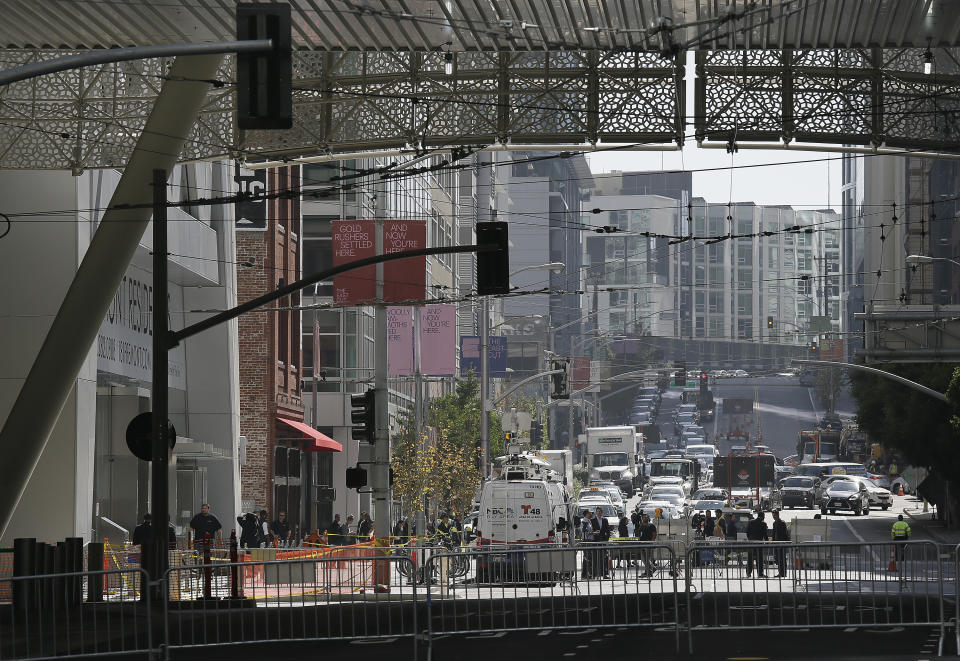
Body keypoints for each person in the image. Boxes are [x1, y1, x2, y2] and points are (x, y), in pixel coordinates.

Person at [745, 511, 768, 577]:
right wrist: (767, 543)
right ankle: (760, 573)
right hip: (759, 544)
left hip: (751, 543)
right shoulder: (763, 524)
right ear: (763, 516)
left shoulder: (751, 522)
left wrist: (750, 539)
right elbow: (765, 535)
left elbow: (747, 532)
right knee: (759, 559)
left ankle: (748, 573)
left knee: (750, 559)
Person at [770, 510, 790, 577]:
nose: (774, 517)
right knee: (778, 559)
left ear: (778, 515)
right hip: (776, 543)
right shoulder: (774, 523)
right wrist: (773, 542)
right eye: (773, 516)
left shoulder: (782, 523)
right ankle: (780, 572)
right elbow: (774, 533)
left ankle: (783, 573)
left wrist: (785, 542)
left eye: (774, 516)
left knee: (782, 559)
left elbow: (785, 534)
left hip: (781, 543)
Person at [594, 506, 611, 578]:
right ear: (596, 512)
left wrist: (606, 539)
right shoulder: (593, 520)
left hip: (603, 541)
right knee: (596, 558)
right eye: (597, 511)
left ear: (602, 512)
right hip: (595, 542)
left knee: (604, 557)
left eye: (600, 511)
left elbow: (608, 531)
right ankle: (596, 573)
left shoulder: (605, 520)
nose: (599, 513)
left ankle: (604, 573)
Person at [580, 510, 596, 579]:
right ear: (586, 514)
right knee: (587, 558)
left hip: (589, 541)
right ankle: (587, 574)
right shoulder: (585, 522)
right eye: (590, 513)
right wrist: (594, 533)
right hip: (587, 541)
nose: (591, 514)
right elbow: (585, 533)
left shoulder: (588, 521)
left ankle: (586, 573)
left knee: (587, 558)